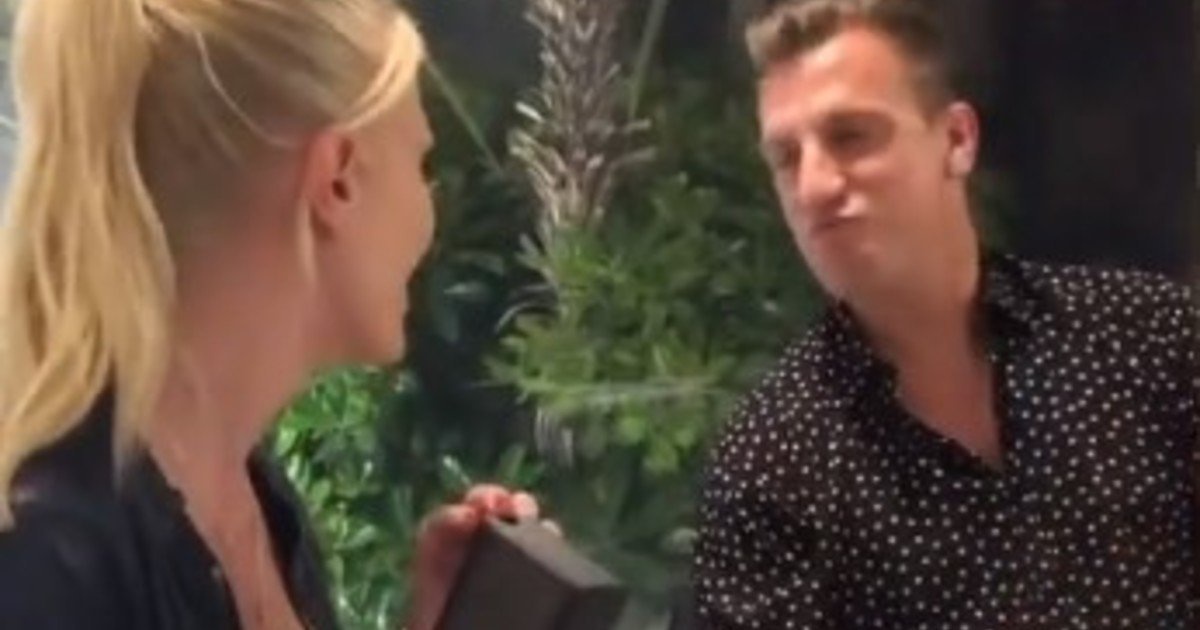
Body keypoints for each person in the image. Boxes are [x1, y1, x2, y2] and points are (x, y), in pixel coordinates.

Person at [0, 1, 541, 629]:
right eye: (422, 167)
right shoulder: (50, 566)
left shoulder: (252, 500)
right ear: (337, 179)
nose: (432, 211)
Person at [693, 0, 1199, 627]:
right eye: (786, 157)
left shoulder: (1145, 338)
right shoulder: (770, 471)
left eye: (851, 136)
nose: (814, 186)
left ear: (957, 140)